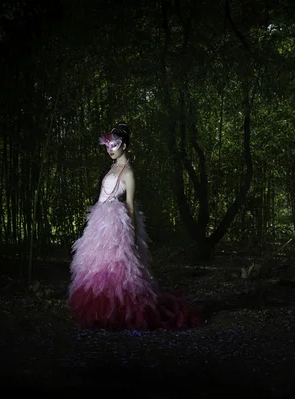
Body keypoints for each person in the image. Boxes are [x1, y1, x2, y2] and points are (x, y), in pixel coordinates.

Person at [68, 122, 203, 330]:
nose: (110, 149)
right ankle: (104, 313)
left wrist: (130, 235)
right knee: (100, 267)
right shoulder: (113, 167)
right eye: (108, 145)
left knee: (118, 269)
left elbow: (129, 205)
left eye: (115, 144)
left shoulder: (128, 172)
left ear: (124, 145)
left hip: (115, 223)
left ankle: (121, 314)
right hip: (100, 222)